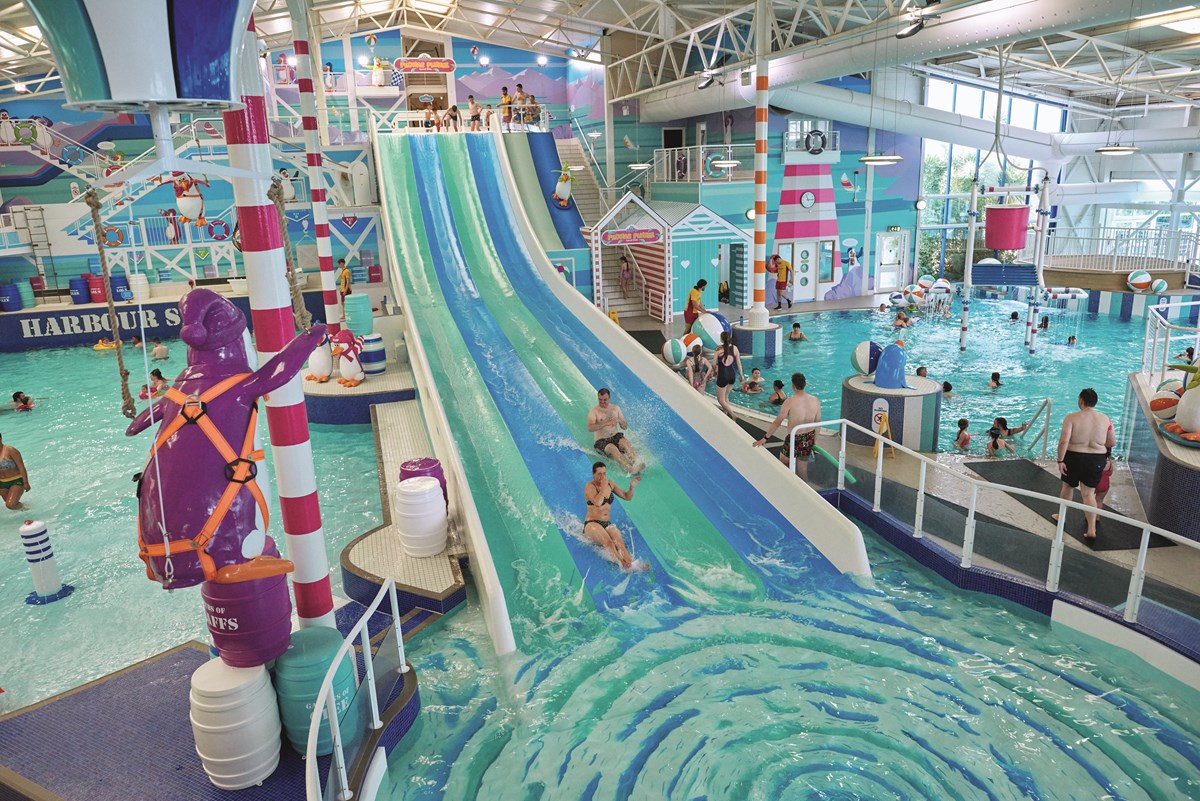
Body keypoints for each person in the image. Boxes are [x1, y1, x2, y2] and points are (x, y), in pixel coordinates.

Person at [1055, 388, 1117, 541]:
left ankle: (1061, 516)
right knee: (1089, 494)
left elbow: (1064, 441)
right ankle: (1091, 529)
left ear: (1081, 401)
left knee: (1068, 487)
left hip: (1074, 457)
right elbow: (1111, 442)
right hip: (1096, 459)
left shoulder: (1071, 418)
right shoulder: (1105, 419)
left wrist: (1060, 460)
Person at [753, 372, 821, 480]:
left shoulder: (790, 401)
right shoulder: (815, 400)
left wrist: (765, 438)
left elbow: (777, 422)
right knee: (801, 467)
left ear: (793, 386)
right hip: (808, 437)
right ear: (805, 384)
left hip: (795, 438)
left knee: (785, 460)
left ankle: (792, 483)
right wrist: (814, 441)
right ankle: (800, 484)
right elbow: (818, 424)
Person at [583, 462, 646, 571]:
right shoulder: (590, 486)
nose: (602, 477)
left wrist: (631, 488)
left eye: (604, 473)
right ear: (593, 474)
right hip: (592, 523)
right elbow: (597, 502)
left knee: (619, 542)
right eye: (599, 474)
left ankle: (631, 563)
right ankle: (622, 563)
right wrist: (603, 488)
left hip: (606, 523)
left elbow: (627, 497)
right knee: (609, 543)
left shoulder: (610, 484)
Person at [587, 388, 642, 473]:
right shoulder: (594, 411)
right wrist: (605, 423)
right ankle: (629, 468)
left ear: (609, 398)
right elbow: (590, 428)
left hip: (615, 436)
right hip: (601, 441)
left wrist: (619, 420)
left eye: (605, 400)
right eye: (600, 400)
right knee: (612, 448)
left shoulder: (616, 408)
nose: (602, 402)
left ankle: (636, 462)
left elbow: (625, 427)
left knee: (625, 442)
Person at [713, 331, 744, 420]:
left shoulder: (718, 351)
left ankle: (733, 415)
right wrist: (741, 376)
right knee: (726, 397)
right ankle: (725, 415)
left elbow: (714, 364)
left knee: (720, 400)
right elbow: (739, 364)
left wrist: (715, 371)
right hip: (732, 375)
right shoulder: (735, 348)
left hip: (723, 375)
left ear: (721, 339)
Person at [0, 432, 30, 510]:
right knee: (12, 505)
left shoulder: (10, 450)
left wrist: (26, 482)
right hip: (2, 483)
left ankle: (27, 509)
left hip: (16, 480)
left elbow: (21, 467)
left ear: (0, 439)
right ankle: (24, 514)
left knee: (10, 505)